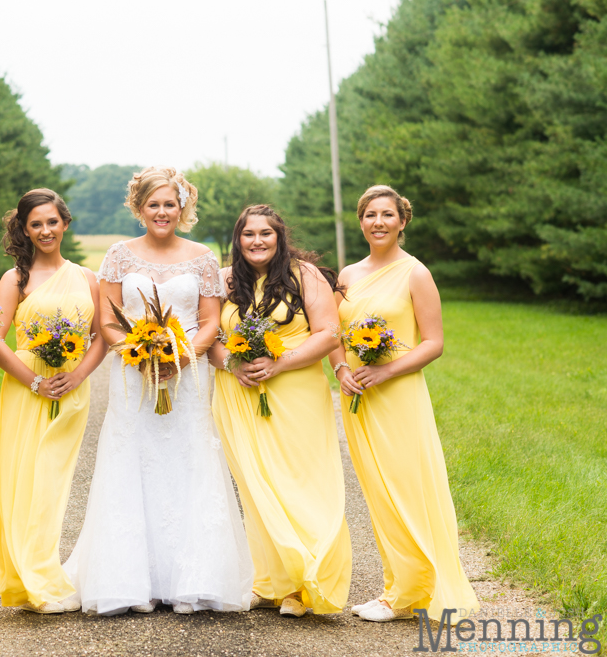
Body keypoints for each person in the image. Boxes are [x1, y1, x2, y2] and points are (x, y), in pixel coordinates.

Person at [63, 166, 253, 616]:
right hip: (134, 375)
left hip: (188, 377)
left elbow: (209, 320)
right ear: (139, 208)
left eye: (170, 204)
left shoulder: (202, 257)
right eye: (154, 205)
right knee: (133, 461)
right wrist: (140, 352)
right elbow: (107, 320)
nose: (162, 212)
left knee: (189, 459)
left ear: (182, 206)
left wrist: (182, 355)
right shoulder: (118, 256)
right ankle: (131, 579)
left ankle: (193, 577)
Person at [329, 185, 480, 623]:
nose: (378, 222)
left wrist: (385, 371)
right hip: (357, 396)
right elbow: (333, 334)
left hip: (398, 395)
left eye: (387, 215)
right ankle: (398, 585)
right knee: (378, 493)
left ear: (402, 221)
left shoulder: (416, 273)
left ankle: (410, 592)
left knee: (406, 488)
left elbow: (433, 343)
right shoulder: (348, 274)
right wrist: (341, 370)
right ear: (360, 221)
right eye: (370, 214)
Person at [208, 205, 352, 617]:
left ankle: (306, 581)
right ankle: (269, 580)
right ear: (238, 239)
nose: (257, 241)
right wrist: (231, 364)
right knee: (255, 487)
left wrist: (280, 362)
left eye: (265, 234)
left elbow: (328, 334)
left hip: (295, 392)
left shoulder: (303, 275)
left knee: (299, 482)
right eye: (248, 234)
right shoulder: (224, 280)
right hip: (238, 394)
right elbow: (210, 336)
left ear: (279, 236)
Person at [0, 189, 107, 614]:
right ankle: (32, 581)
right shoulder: (15, 279)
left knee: (54, 483)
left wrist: (77, 374)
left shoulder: (88, 279)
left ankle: (41, 571)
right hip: (27, 389)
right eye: (35, 224)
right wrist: (35, 381)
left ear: (65, 223)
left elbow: (102, 338)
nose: (44, 230)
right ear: (24, 229)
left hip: (73, 391)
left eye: (51, 222)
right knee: (25, 480)